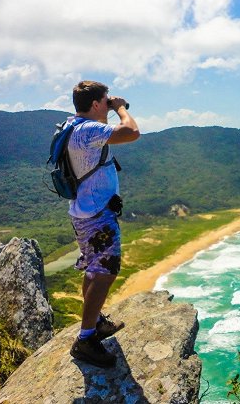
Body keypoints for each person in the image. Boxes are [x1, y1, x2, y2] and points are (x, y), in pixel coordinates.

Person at [66, 80, 140, 368]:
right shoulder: (88, 130)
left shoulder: (72, 126)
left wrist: (107, 108)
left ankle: (95, 323)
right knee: (106, 272)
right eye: (105, 101)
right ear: (96, 104)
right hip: (97, 215)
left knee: (93, 267)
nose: (109, 104)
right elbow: (132, 132)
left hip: (83, 211)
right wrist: (120, 107)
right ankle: (85, 339)